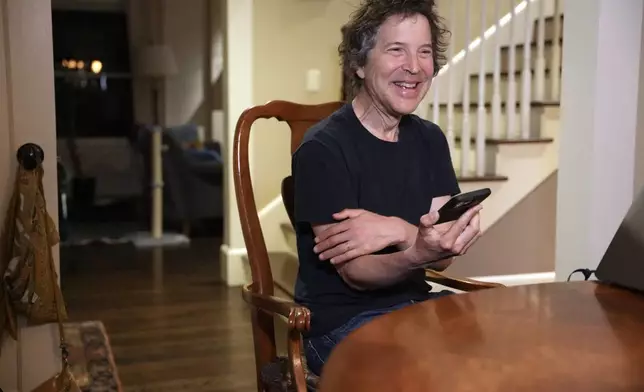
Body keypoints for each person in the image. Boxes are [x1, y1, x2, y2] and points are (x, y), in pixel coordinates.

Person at [291, 0, 483, 376]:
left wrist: (396, 229)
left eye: (424, 52)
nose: (414, 67)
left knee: (502, 352)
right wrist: (418, 249)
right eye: (397, 50)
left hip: (413, 306)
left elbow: (441, 253)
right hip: (339, 323)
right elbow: (357, 273)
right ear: (359, 64)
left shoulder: (431, 139)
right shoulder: (322, 149)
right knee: (435, 373)